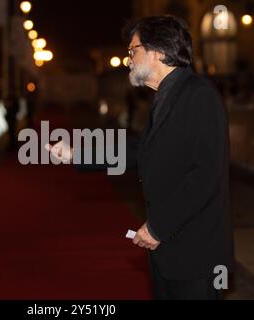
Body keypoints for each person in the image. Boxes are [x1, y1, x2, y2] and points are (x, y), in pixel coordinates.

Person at [46, 16, 233, 300]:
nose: (128, 59)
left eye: (133, 51)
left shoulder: (199, 96)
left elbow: (205, 175)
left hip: (196, 255)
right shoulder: (164, 97)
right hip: (168, 252)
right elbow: (139, 151)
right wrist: (78, 152)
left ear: (158, 51)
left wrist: (158, 227)